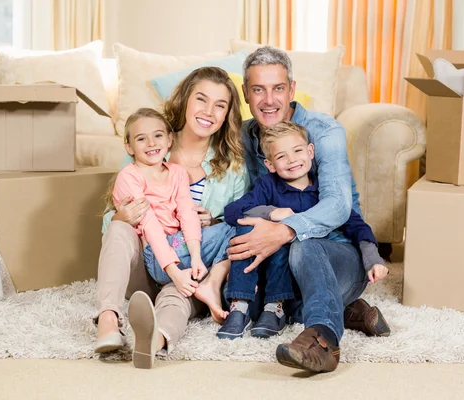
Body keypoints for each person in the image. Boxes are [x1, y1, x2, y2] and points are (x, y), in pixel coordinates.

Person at [227, 46, 390, 373]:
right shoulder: (243, 135)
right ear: (245, 93)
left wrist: (285, 229)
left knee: (303, 246)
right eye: (258, 89)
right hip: (278, 259)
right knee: (234, 269)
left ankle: (323, 341)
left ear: (292, 89)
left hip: (335, 251)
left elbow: (340, 206)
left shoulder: (324, 131)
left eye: (278, 88)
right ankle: (345, 309)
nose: (269, 99)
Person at [94, 67, 248, 369]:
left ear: (228, 113)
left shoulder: (232, 165)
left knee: (178, 297)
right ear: (185, 100)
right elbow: (115, 227)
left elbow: (235, 224)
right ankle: (107, 322)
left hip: (190, 267)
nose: (208, 111)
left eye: (220, 105)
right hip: (144, 260)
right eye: (201, 99)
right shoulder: (150, 140)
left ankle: (154, 342)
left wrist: (214, 221)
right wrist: (121, 217)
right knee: (118, 229)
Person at [218, 121, 388, 341]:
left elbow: (356, 225)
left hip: (307, 272)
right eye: (281, 156)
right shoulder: (267, 186)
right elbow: (232, 211)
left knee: (299, 245)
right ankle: (242, 308)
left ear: (310, 151)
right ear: (270, 164)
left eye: (298, 151)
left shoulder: (323, 192)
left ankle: (328, 314)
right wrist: (270, 212)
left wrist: (373, 259)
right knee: (248, 228)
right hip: (274, 276)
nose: (292, 160)